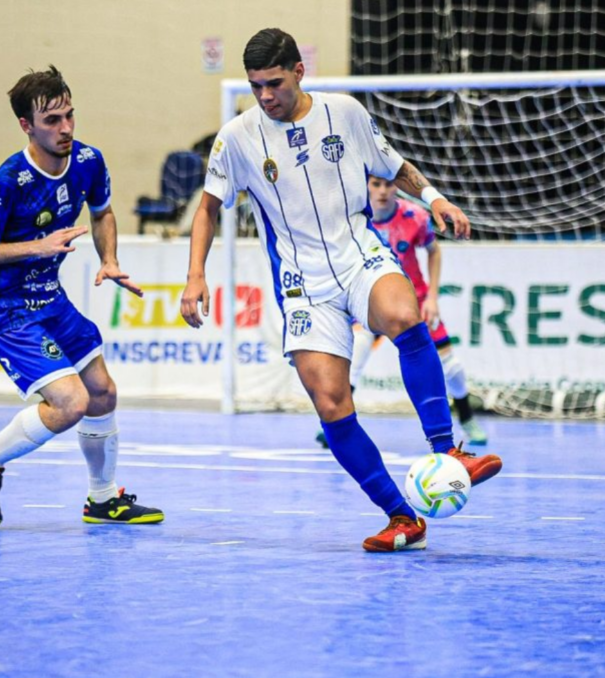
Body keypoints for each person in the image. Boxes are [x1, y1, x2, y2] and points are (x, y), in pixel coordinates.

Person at [180, 29, 502, 552]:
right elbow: (208, 208)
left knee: (405, 318)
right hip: (302, 286)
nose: (265, 96)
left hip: (359, 257)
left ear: (299, 72)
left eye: (274, 83)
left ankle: (448, 451)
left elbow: (394, 166)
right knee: (331, 405)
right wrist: (196, 274)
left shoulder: (344, 112)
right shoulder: (237, 137)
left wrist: (435, 198)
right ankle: (402, 518)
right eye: (256, 85)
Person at [0, 65, 162, 526]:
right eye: (52, 120)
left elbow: (102, 212)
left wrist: (109, 259)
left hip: (51, 300)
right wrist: (37, 247)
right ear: (26, 126)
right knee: (71, 403)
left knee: (102, 393)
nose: (66, 127)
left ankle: (102, 499)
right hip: (7, 312)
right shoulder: (6, 182)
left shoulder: (88, 160)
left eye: (69, 115)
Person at [316, 176, 489, 448]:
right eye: (376, 184)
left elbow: (433, 251)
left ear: (396, 186)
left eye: (388, 184)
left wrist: (432, 297)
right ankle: (339, 426)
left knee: (450, 365)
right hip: (370, 297)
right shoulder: (354, 219)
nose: (383, 191)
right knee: (356, 352)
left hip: (412, 300)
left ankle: (466, 418)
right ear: (365, 185)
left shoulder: (415, 217)